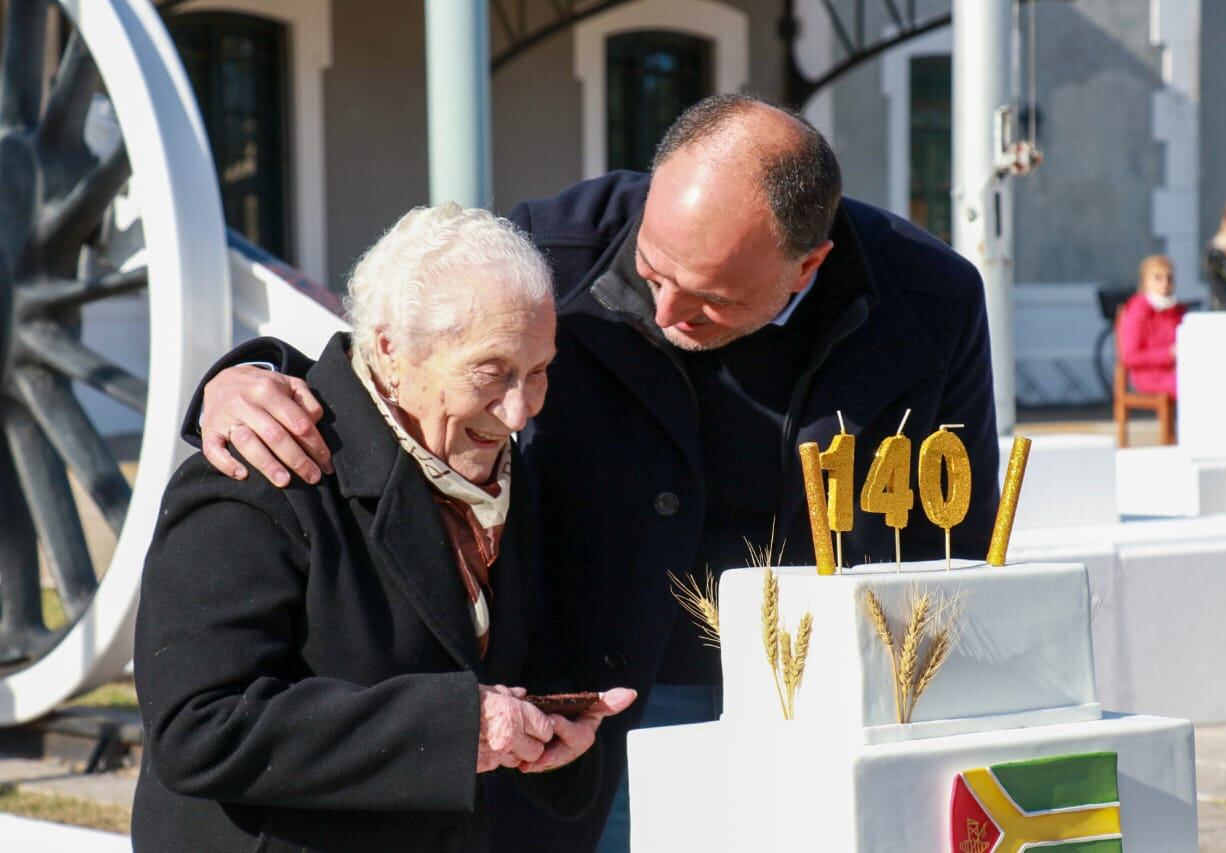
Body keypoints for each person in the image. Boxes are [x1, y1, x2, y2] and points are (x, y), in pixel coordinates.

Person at [186, 95, 1000, 852]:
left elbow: (958, 530)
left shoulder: (933, 301)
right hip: (595, 704)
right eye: (653, 270)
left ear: (807, 264)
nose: (669, 312)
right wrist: (247, 374)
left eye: (712, 301)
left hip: (824, 701)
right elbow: (408, 351)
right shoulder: (557, 242)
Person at [132, 204, 635, 852]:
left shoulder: (497, 468)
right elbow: (197, 727)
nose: (518, 410)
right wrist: (461, 728)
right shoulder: (265, 471)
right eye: (491, 372)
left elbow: (488, 654)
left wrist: (553, 726)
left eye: (538, 370)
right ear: (392, 349)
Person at [1117, 255, 1187, 398]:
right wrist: (1168, 354)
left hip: (1178, 369)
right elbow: (1130, 356)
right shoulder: (1138, 311)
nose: (1165, 283)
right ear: (1145, 281)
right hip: (1151, 376)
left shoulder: (1176, 310)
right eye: (1158, 278)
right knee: (1193, 384)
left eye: (1169, 278)